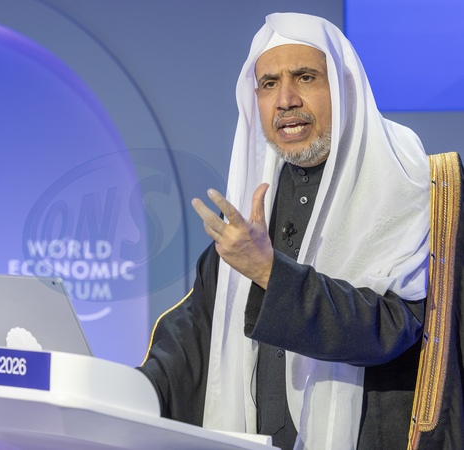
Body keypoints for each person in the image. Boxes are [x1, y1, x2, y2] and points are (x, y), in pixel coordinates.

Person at [137, 12, 434, 450]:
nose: (286, 100)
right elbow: (194, 345)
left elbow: (392, 327)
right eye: (269, 84)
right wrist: (115, 391)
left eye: (306, 77)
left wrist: (269, 273)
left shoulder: (405, 186)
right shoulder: (255, 209)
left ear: (345, 88)